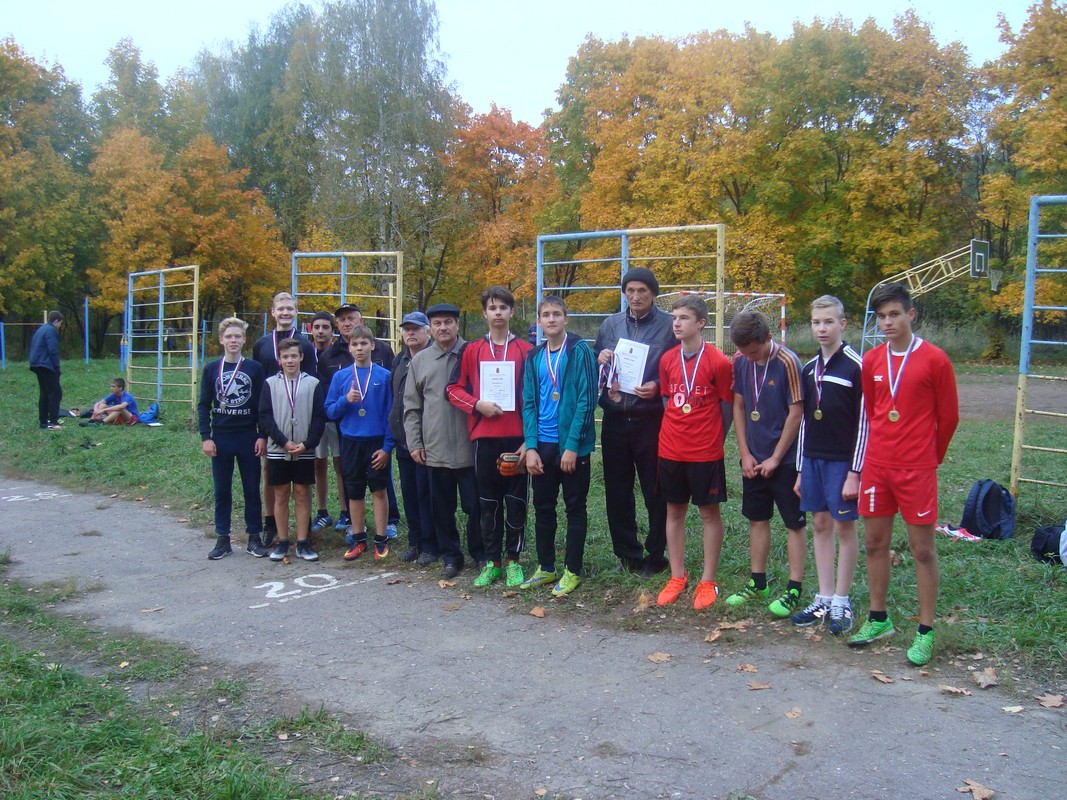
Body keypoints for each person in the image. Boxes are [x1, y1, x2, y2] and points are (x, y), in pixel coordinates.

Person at [848, 283, 959, 666]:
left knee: (922, 550)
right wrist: (862, 466)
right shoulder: (873, 360)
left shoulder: (935, 359)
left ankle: (926, 631)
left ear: (911, 315)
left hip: (917, 469)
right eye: (881, 317)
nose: (888, 322)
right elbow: (872, 412)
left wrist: (930, 457)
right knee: (875, 544)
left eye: (895, 314)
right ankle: (879, 618)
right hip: (878, 467)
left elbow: (949, 417)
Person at [790, 296, 868, 635]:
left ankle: (842, 599)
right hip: (812, 460)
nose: (822, 328)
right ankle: (823, 596)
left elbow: (865, 422)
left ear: (842, 324)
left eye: (828, 322)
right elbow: (806, 421)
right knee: (819, 523)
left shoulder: (856, 365)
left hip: (843, 462)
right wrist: (799, 468)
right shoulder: (809, 369)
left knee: (843, 527)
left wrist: (856, 471)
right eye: (816, 322)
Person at [448, 286, 533, 588]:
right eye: (492, 308)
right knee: (488, 503)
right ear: (484, 313)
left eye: (503, 308)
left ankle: (514, 561)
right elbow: (453, 389)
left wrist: (530, 439)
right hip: (484, 438)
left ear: (512, 312)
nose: (498, 313)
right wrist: (477, 405)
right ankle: (491, 561)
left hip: (517, 438)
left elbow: (535, 398)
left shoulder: (526, 350)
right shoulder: (471, 350)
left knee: (516, 501)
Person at [593, 267, 676, 577]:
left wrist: (657, 385)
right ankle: (627, 554)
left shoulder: (669, 326)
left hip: (651, 419)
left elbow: (678, 368)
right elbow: (596, 362)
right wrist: (599, 360)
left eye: (642, 290)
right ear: (624, 293)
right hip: (615, 417)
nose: (636, 296)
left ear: (653, 294)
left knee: (655, 489)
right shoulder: (610, 324)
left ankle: (656, 556)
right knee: (617, 490)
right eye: (630, 290)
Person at [655, 296, 735, 609]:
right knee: (674, 511)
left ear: (701, 323)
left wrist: (714, 439)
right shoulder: (667, 360)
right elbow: (667, 400)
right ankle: (677, 575)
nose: (677, 323)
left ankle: (708, 580)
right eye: (675, 317)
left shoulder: (718, 361)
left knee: (708, 514)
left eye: (684, 318)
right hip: (671, 449)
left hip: (705, 452)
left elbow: (726, 407)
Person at [726, 310, 808, 617]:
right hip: (754, 458)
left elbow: (796, 412)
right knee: (757, 519)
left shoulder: (788, 362)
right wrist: (745, 452)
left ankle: (793, 588)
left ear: (769, 338)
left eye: (754, 351)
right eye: (744, 352)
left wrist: (776, 457)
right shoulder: (741, 361)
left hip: (784, 460)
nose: (749, 357)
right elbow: (739, 405)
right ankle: (757, 581)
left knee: (793, 522)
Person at [519, 296, 597, 596]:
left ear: (566, 319)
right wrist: (531, 446)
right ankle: (547, 566)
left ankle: (573, 570)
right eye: (545, 315)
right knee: (543, 507)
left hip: (571, 447)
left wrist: (573, 445)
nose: (551, 319)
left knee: (575, 507)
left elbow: (586, 400)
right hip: (543, 446)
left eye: (556, 314)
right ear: (538, 322)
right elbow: (528, 403)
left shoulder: (579, 351)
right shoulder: (535, 356)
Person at [404, 303, 486, 578]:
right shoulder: (420, 361)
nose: (443, 328)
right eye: (437, 323)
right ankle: (451, 555)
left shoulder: (474, 353)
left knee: (476, 506)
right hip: (435, 449)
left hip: (470, 445)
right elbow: (412, 407)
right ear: (430, 327)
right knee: (442, 507)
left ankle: (480, 553)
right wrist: (415, 443)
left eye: (448, 322)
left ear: (457, 325)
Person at [319, 303, 400, 539]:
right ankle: (358, 534)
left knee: (378, 489)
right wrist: (346, 400)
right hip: (350, 441)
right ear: (350, 348)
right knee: (354, 491)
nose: (360, 348)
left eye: (364, 343)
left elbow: (390, 414)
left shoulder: (384, 377)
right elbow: (330, 411)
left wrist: (387, 447)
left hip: (376, 442)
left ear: (373, 346)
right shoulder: (341, 377)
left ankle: (382, 535)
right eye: (355, 344)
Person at [198, 318, 268, 560]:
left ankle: (254, 537)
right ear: (221, 340)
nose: (233, 340)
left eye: (237, 336)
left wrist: (262, 436)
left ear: (244, 340)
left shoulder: (254, 369)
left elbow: (262, 406)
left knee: (251, 489)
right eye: (229, 337)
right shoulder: (211, 369)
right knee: (222, 491)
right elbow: (203, 405)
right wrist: (206, 437)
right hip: (221, 438)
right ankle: (223, 539)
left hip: (248, 437)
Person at [252, 292, 317, 545]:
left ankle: (304, 527)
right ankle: (271, 524)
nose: (285, 313)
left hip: (300, 422)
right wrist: (261, 431)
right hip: (271, 421)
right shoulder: (262, 344)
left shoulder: (305, 344)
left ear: (296, 311)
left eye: (290, 308)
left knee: (302, 480)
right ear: (273, 312)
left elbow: (311, 386)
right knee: (270, 472)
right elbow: (259, 388)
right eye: (281, 308)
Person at [259, 338, 326, 562]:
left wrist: (308, 443)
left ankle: (303, 542)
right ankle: (283, 542)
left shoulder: (313, 383)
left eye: (294, 356)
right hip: (279, 449)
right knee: (280, 494)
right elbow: (265, 417)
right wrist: (282, 441)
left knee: (302, 493)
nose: (290, 360)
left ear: (301, 357)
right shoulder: (270, 383)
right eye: (285, 357)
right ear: (279, 359)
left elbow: (319, 417)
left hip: (303, 449)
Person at [390, 311, 435, 562]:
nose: (410, 333)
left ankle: (430, 545)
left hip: (427, 442)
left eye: (415, 329)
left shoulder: (433, 358)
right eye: (406, 329)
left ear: (427, 331)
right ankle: (414, 541)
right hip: (403, 441)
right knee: (409, 494)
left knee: (425, 494)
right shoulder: (400, 361)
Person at [309, 311, 345, 533]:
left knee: (340, 463)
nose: (321, 331)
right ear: (310, 329)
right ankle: (322, 512)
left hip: (335, 417)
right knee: (317, 463)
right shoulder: (304, 352)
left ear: (333, 330)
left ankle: (344, 511)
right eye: (317, 327)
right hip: (313, 417)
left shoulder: (339, 353)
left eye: (325, 327)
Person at [29, 311, 64, 430]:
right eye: (60, 323)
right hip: (47, 365)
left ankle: (43, 422)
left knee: (45, 393)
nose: (60, 326)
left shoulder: (41, 329)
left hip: (37, 364)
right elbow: (52, 349)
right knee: (55, 393)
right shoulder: (51, 330)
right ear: (56, 321)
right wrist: (57, 367)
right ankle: (53, 422)